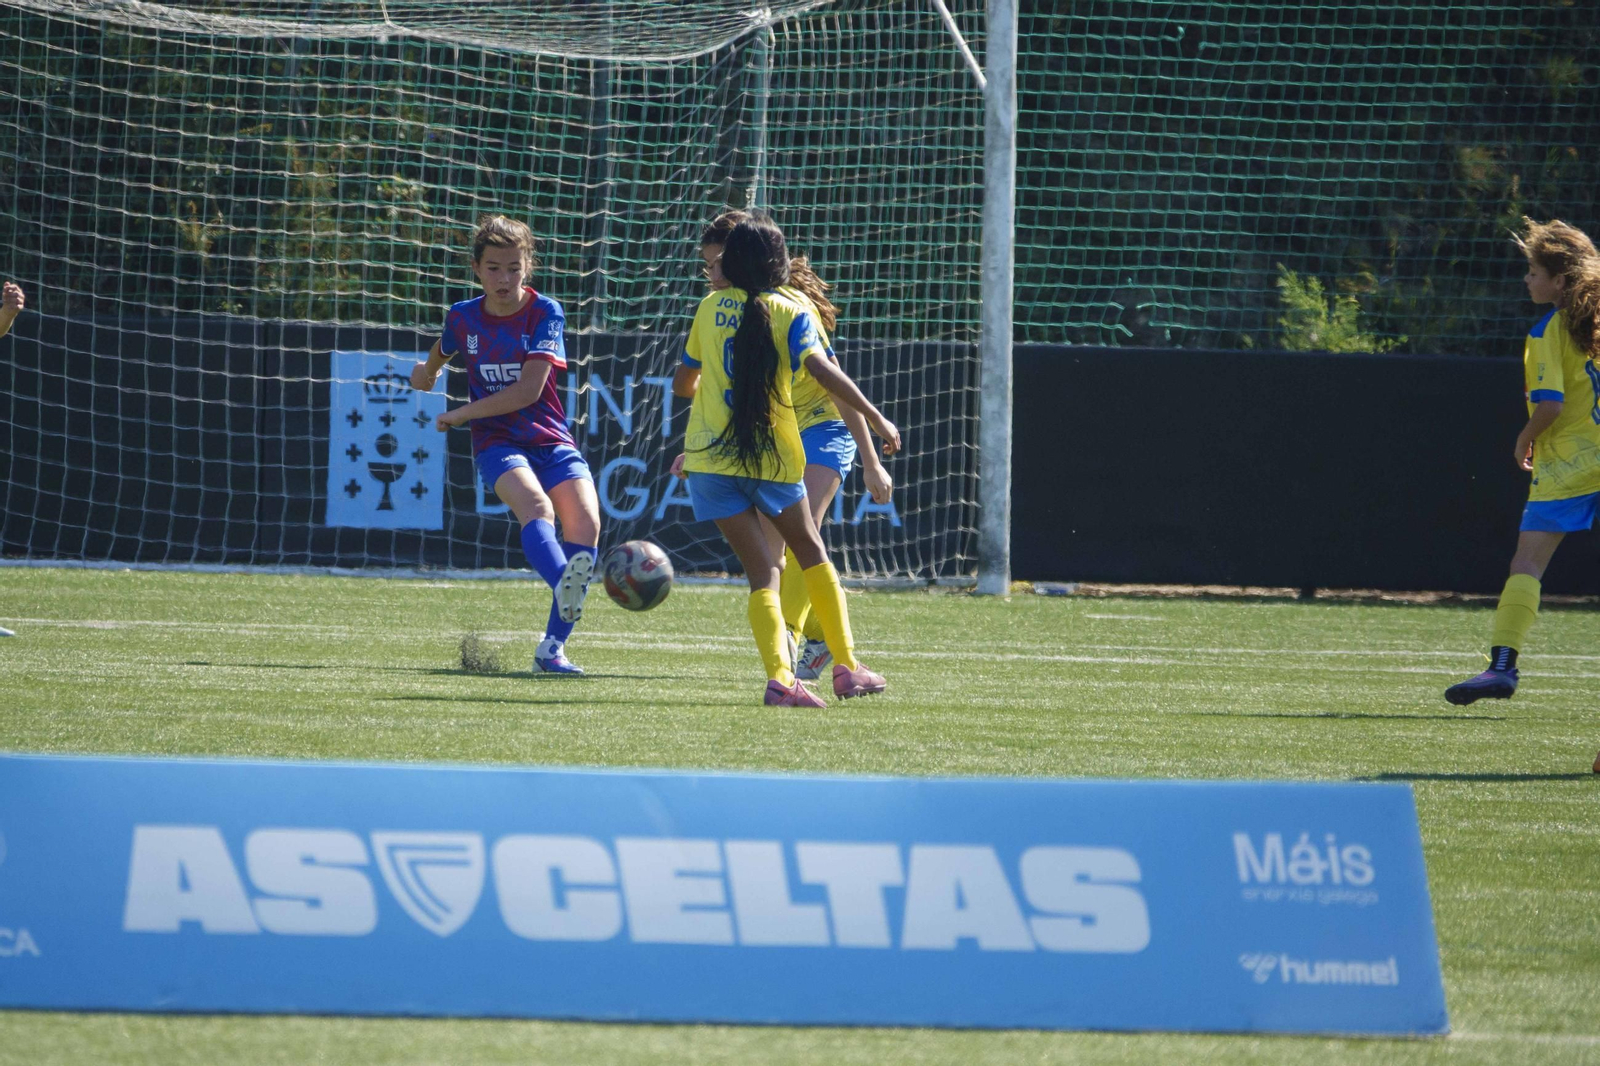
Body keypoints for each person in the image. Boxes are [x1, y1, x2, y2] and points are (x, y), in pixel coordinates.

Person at [672, 214, 900, 706]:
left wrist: (867, 456)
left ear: (733, 262)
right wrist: (880, 419)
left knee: (767, 569)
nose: (710, 271)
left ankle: (784, 674)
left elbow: (685, 385)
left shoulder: (709, 308)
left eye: (716, 263)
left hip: (726, 456)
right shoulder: (787, 311)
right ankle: (840, 663)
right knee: (807, 550)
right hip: (772, 454)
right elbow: (825, 371)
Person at [411, 215, 599, 675]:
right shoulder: (463, 316)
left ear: (527, 266)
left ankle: (551, 650)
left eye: (514, 267)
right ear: (477, 269)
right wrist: (429, 370)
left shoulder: (544, 312)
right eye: (494, 268)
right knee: (536, 508)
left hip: (549, 436)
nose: (504, 278)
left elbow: (528, 392)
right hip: (497, 441)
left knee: (587, 525)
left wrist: (458, 413)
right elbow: (445, 346)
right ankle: (564, 586)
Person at [1446, 218, 1600, 706]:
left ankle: (1502, 668)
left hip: (1570, 466)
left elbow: (1550, 404)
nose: (1526, 280)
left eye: (1533, 271)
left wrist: (1523, 438)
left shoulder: (1548, 330)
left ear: (1559, 280)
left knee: (1527, 564)